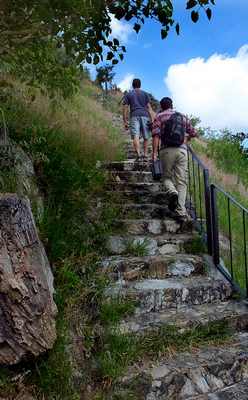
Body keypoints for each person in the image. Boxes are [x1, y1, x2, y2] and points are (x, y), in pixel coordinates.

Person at [152, 97, 197, 222]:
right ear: (172, 105)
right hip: (182, 151)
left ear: (161, 106)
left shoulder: (159, 116)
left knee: (166, 177)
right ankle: (181, 210)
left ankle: (172, 192)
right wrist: (186, 139)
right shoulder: (182, 116)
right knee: (182, 182)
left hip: (166, 150)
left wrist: (154, 153)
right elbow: (193, 132)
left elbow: (156, 135)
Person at [123, 78, 155, 161]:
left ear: (132, 85)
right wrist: (152, 119)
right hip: (145, 115)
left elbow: (125, 108)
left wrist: (125, 120)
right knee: (146, 136)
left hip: (134, 115)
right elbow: (149, 108)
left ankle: (138, 154)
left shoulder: (129, 94)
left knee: (135, 135)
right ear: (140, 85)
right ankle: (145, 154)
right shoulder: (145, 94)